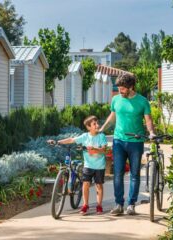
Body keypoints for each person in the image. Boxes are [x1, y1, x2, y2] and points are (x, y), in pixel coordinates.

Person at [100, 74, 155, 215]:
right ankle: (119, 204)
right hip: (118, 141)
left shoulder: (142, 101)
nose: (120, 91)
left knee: (134, 174)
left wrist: (151, 132)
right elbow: (112, 117)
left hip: (136, 142)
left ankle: (131, 205)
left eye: (123, 88)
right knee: (117, 174)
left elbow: (148, 119)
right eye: (119, 88)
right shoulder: (116, 100)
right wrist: (102, 129)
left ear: (131, 87)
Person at [48, 115, 107, 215]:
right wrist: (58, 142)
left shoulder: (101, 136)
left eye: (97, 123)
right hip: (88, 165)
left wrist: (94, 149)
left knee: (99, 186)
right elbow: (71, 140)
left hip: (99, 166)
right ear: (89, 127)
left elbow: (104, 149)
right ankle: (85, 205)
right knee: (85, 184)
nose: (97, 125)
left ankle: (99, 205)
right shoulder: (85, 136)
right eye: (94, 124)